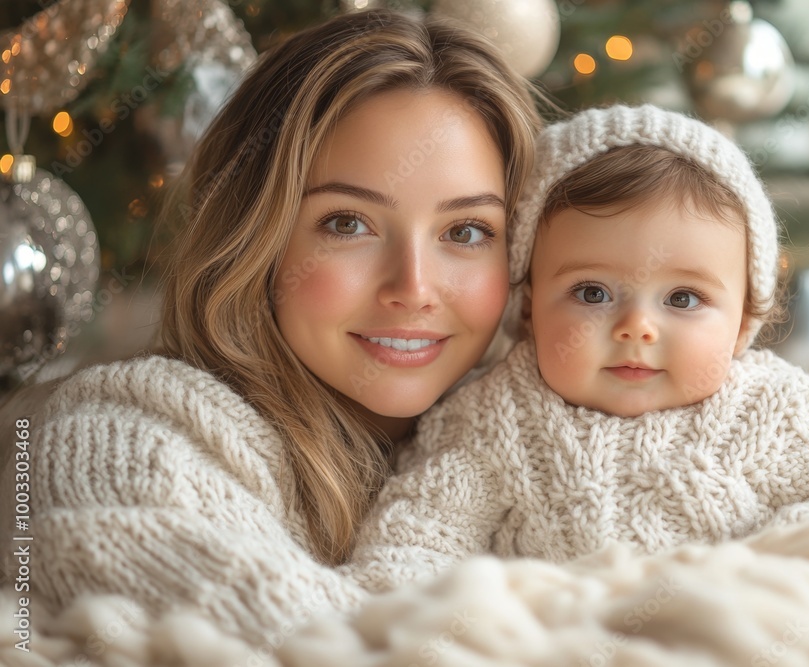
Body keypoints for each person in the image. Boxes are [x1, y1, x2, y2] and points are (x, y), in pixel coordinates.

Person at [0, 8, 540, 643]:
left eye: (467, 231)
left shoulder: (542, 437)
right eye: (347, 223)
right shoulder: (121, 440)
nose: (414, 289)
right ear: (256, 237)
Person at [345, 104, 809, 593]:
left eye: (683, 298)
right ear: (528, 307)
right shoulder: (495, 420)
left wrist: (764, 581)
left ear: (743, 323)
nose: (637, 327)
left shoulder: (772, 411)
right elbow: (417, 541)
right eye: (592, 293)